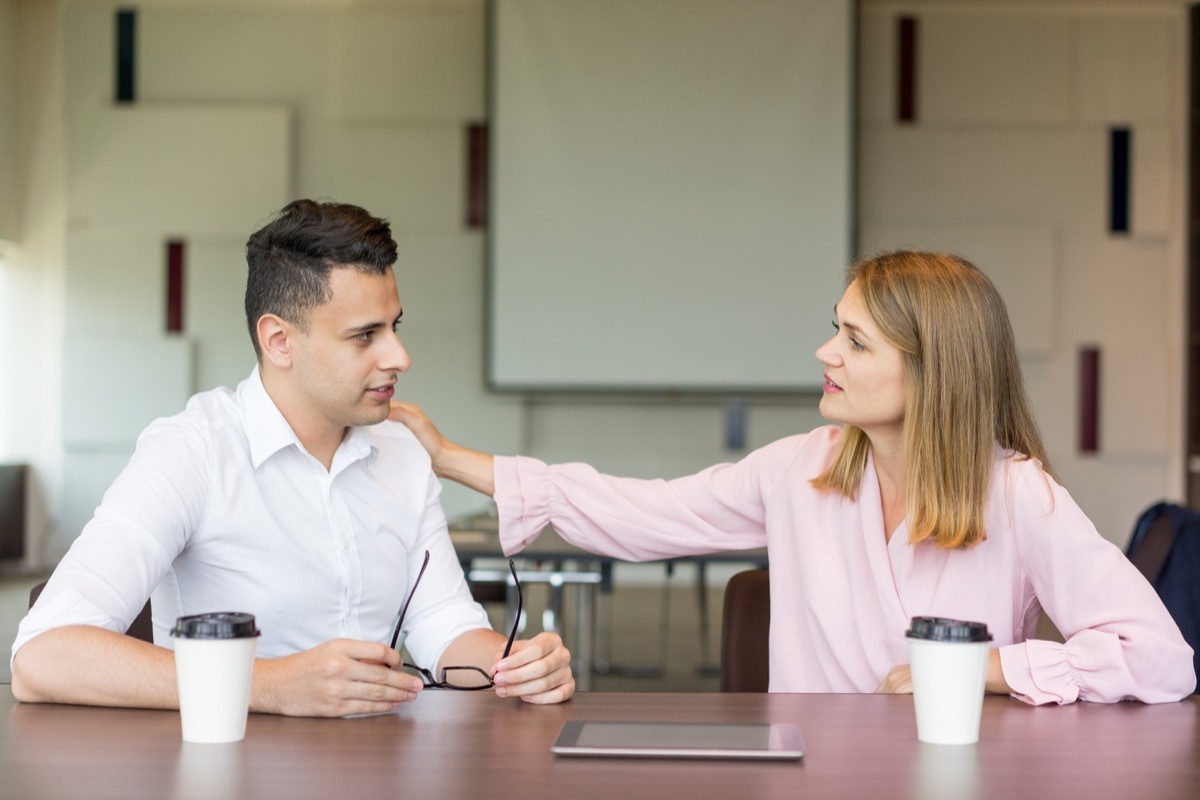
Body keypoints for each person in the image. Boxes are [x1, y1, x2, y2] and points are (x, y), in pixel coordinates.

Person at [391, 250, 1196, 705]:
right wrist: (452, 457)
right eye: (833, 330)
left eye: (856, 341)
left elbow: (1160, 657)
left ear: (933, 372)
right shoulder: (800, 471)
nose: (826, 353)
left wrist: (997, 668)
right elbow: (643, 514)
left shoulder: (1020, 495)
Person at [11, 199, 575, 716]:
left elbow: (443, 627)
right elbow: (41, 656)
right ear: (279, 340)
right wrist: (274, 685)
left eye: (394, 327)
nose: (399, 355)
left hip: (376, 768)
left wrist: (517, 666)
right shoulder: (192, 450)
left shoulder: (402, 451)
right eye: (365, 336)